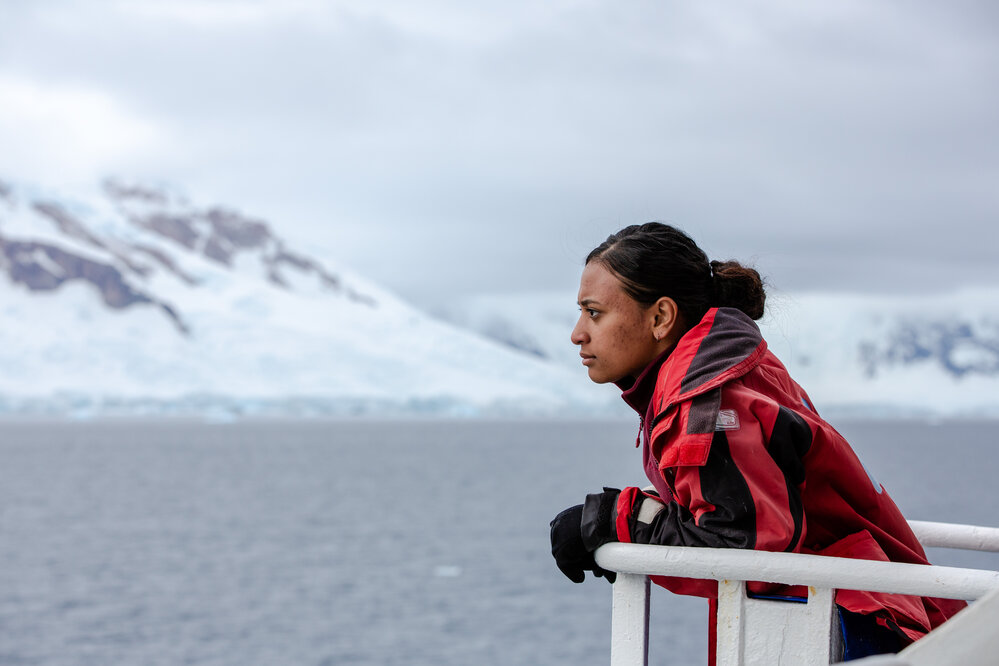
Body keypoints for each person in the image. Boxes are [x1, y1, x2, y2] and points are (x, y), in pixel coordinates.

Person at [549, 222, 965, 661]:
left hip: (868, 630)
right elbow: (743, 509)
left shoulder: (707, 401)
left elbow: (739, 549)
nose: (578, 332)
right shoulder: (732, 367)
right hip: (894, 615)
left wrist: (610, 521)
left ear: (661, 318)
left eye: (594, 312)